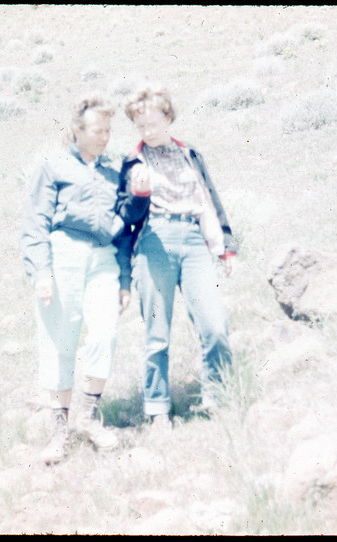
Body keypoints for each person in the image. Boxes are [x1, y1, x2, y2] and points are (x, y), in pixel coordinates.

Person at [19, 93, 132, 465]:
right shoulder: (52, 165)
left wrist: (126, 279)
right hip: (63, 253)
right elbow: (35, 221)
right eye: (97, 130)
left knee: (105, 332)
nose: (104, 137)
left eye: (108, 130)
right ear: (77, 130)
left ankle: (86, 417)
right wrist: (41, 271)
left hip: (103, 259)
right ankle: (59, 430)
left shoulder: (114, 171)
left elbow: (126, 226)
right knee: (60, 343)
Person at [117, 84, 237, 430]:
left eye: (153, 123)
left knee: (214, 325)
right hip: (155, 241)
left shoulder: (190, 154)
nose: (148, 131)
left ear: (168, 118)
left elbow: (209, 198)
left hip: (195, 241)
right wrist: (139, 193)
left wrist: (225, 247)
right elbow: (127, 215)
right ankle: (157, 410)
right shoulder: (132, 162)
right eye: (140, 126)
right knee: (157, 332)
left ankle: (219, 399)